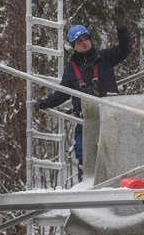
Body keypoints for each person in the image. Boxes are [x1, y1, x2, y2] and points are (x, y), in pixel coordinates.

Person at [35, 10, 131, 181]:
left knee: (112, 152)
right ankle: (85, 182)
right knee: (84, 156)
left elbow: (125, 50)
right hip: (85, 120)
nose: (84, 43)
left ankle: (114, 182)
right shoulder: (71, 69)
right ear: (73, 45)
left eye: (86, 38)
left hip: (109, 115)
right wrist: (47, 102)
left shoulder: (105, 58)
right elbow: (64, 92)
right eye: (79, 41)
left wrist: (122, 30)